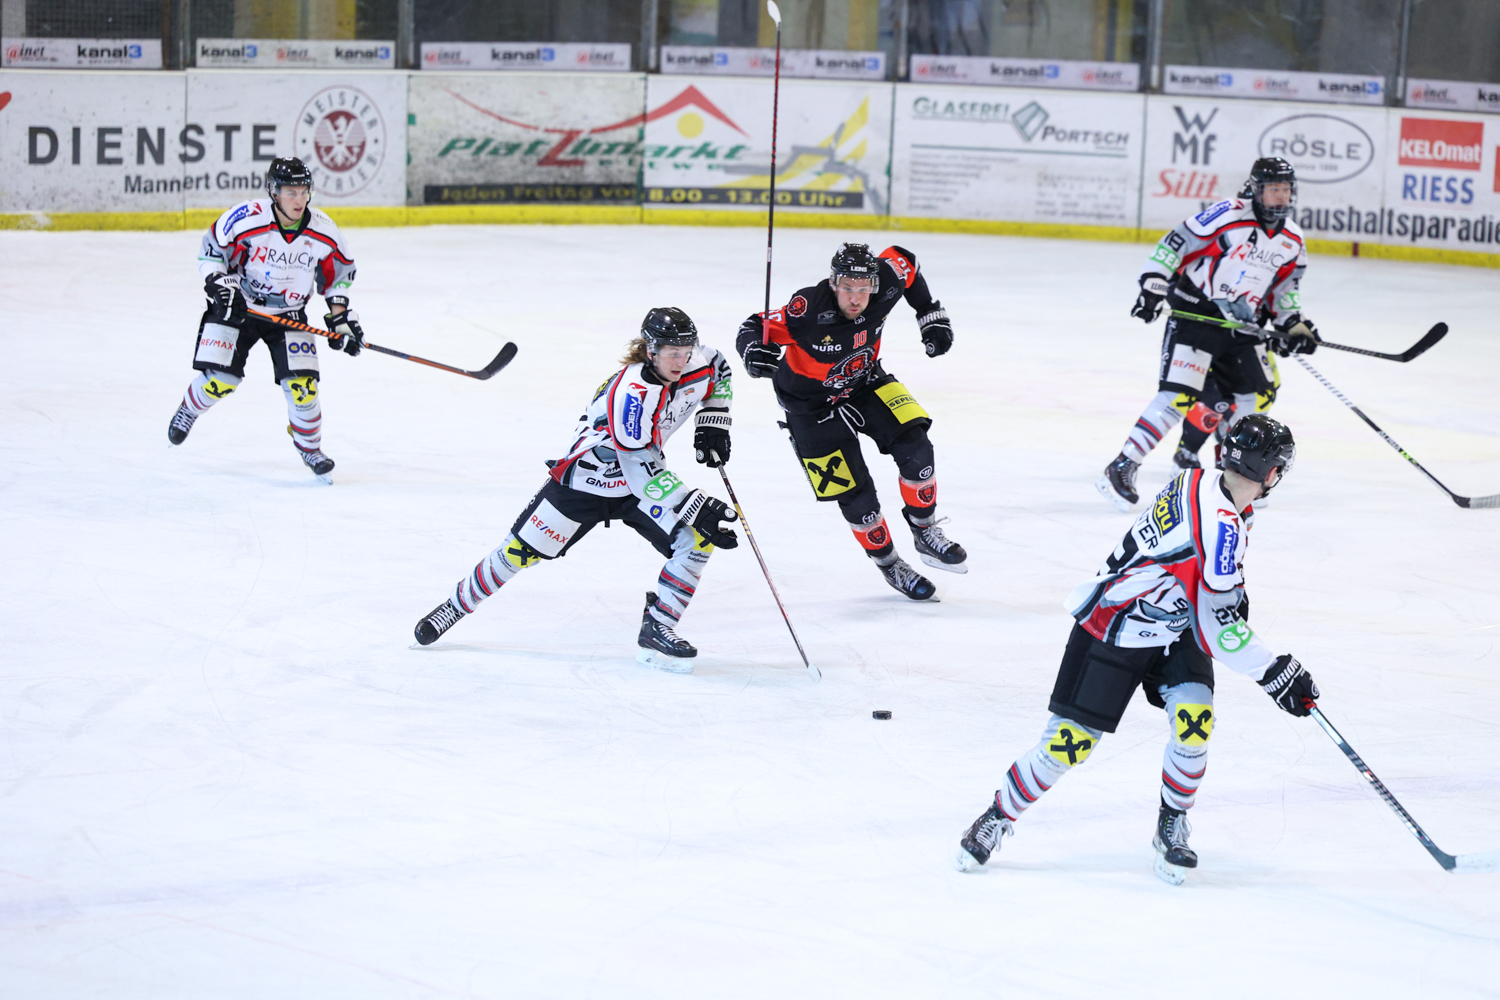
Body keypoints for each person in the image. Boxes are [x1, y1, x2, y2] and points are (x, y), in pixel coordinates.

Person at [955, 415, 1320, 885]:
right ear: (1272, 473)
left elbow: (1201, 586)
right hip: (1115, 625)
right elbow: (1217, 627)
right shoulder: (1221, 524)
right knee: (1068, 744)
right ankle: (997, 815)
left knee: (1194, 720)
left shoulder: (1199, 481)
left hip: (1174, 624)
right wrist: (1274, 671)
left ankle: (1172, 822)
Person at [413, 308, 741, 673]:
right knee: (517, 554)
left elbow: (719, 366)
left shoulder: (697, 362)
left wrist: (714, 420)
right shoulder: (632, 394)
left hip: (635, 489)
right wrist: (690, 503)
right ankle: (454, 607)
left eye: (685, 350)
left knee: (696, 540)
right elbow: (638, 466)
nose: (681, 360)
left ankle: (658, 627)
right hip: (587, 483)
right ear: (651, 350)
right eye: (672, 352)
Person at [736, 242, 964, 602]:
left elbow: (906, 260)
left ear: (875, 284)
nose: (855, 298)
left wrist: (929, 314)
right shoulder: (807, 309)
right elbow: (753, 325)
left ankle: (925, 530)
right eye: (846, 288)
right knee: (855, 495)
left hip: (865, 381)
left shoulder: (887, 280)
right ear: (833, 283)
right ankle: (890, 564)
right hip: (808, 406)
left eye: (863, 288)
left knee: (917, 448)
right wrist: (752, 351)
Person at [1099, 157, 1319, 510]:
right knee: (1179, 395)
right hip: (1196, 315)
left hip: (1241, 325)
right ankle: (1124, 464)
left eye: (1285, 189)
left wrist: (1293, 323)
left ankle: (1231, 475)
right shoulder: (1228, 214)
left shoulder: (1292, 238)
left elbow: (1285, 288)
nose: (1280, 196)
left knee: (1256, 395)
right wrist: (1154, 283)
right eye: (1272, 189)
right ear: (1256, 190)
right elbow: (1176, 242)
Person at [165, 156, 363, 483]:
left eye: (303, 191)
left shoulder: (324, 231)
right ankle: (189, 410)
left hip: (289, 314)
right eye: (290, 192)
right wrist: (221, 285)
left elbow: (338, 273)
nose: (299, 200)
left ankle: (310, 448)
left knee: (302, 387)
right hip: (239, 307)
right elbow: (211, 251)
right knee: (221, 380)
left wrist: (340, 317)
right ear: (274, 192)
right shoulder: (246, 218)